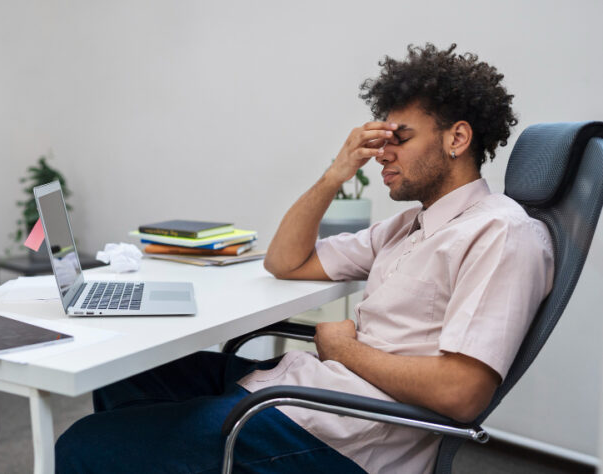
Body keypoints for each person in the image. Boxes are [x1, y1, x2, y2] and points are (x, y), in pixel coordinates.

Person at [54, 43, 554, 473]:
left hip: (346, 438)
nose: (383, 154)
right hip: (305, 391)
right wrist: (337, 172)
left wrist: (345, 349)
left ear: (457, 139)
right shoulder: (410, 226)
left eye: (398, 139)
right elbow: (285, 261)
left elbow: (462, 395)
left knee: (82, 445)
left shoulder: (501, 233)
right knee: (129, 374)